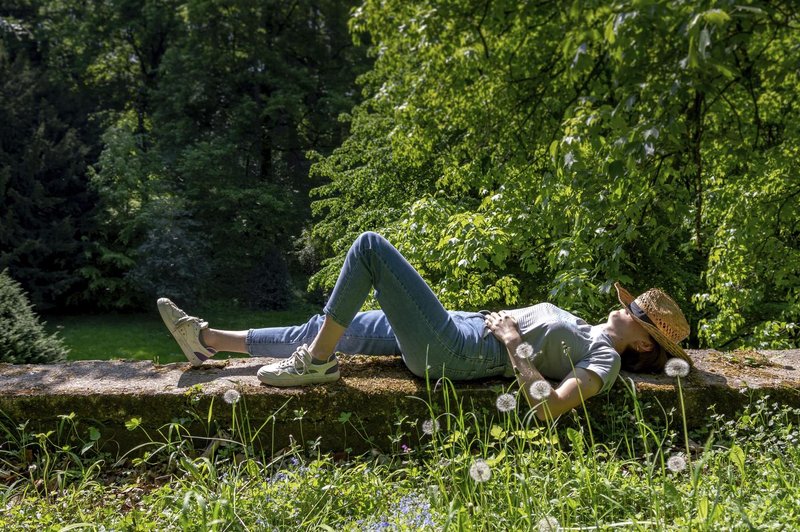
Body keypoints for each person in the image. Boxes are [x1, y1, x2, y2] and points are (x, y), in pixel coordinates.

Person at [158, 231, 691, 420]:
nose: (625, 305)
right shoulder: (588, 326)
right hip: (457, 326)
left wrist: (511, 342)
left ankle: (315, 366)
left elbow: (549, 406)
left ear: (644, 340)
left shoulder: (605, 362)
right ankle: (204, 341)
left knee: (369, 247)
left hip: (456, 352)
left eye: (636, 310)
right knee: (327, 324)